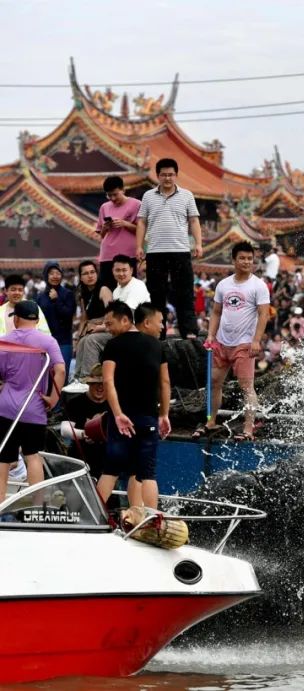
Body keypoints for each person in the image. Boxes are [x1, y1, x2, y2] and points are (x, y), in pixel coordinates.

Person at [95, 301, 170, 510]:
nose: (107, 329)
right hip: (148, 417)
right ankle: (151, 518)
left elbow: (108, 381)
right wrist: (164, 414)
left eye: (110, 324)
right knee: (146, 474)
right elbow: (165, 383)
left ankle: (95, 517)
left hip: (121, 419)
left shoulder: (113, 345)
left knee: (110, 470)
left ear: (125, 320)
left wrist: (118, 414)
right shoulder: (157, 346)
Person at [201, 242, 270, 441]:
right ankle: (211, 421)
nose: (246, 262)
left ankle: (248, 429)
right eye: (242, 258)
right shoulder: (223, 284)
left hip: (245, 343)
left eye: (250, 259)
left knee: (246, 387)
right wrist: (211, 335)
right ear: (234, 260)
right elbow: (216, 312)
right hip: (222, 342)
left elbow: (263, 315)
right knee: (214, 382)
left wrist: (256, 341)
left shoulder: (258, 285)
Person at [0, 301, 65, 502]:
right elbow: (61, 370)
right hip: (34, 407)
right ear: (36, 320)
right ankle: (36, 506)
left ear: (16, 319)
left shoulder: (4, 341)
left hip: (5, 407)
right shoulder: (48, 341)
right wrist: (53, 399)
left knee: (3, 459)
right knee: (33, 456)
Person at [135, 157, 203, 339]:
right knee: (156, 293)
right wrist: (139, 246)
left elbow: (194, 220)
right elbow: (141, 222)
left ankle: (189, 330)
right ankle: (158, 331)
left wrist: (198, 243)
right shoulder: (148, 196)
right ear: (157, 176)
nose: (167, 178)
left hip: (180, 250)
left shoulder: (187, 195)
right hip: (155, 251)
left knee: (185, 292)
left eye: (171, 175)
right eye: (164, 175)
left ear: (176, 175)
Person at [59, 363, 110, 478]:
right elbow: (64, 430)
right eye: (96, 383)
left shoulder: (114, 404)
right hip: (80, 459)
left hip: (108, 461)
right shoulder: (76, 402)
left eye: (103, 384)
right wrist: (84, 434)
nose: (100, 387)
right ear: (89, 384)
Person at [95, 175, 141, 289]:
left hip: (128, 254)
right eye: (109, 195)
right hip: (107, 254)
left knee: (129, 289)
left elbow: (142, 230)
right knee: (107, 288)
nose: (112, 198)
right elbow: (101, 235)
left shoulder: (136, 204)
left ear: (123, 190)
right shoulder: (104, 207)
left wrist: (125, 223)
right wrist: (105, 228)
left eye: (115, 194)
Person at [35, 261, 76, 374]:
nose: (55, 276)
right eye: (51, 273)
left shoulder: (68, 294)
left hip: (63, 341)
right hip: (44, 342)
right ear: (46, 275)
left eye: (58, 273)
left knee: (62, 373)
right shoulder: (40, 297)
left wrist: (57, 300)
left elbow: (68, 315)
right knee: (45, 375)